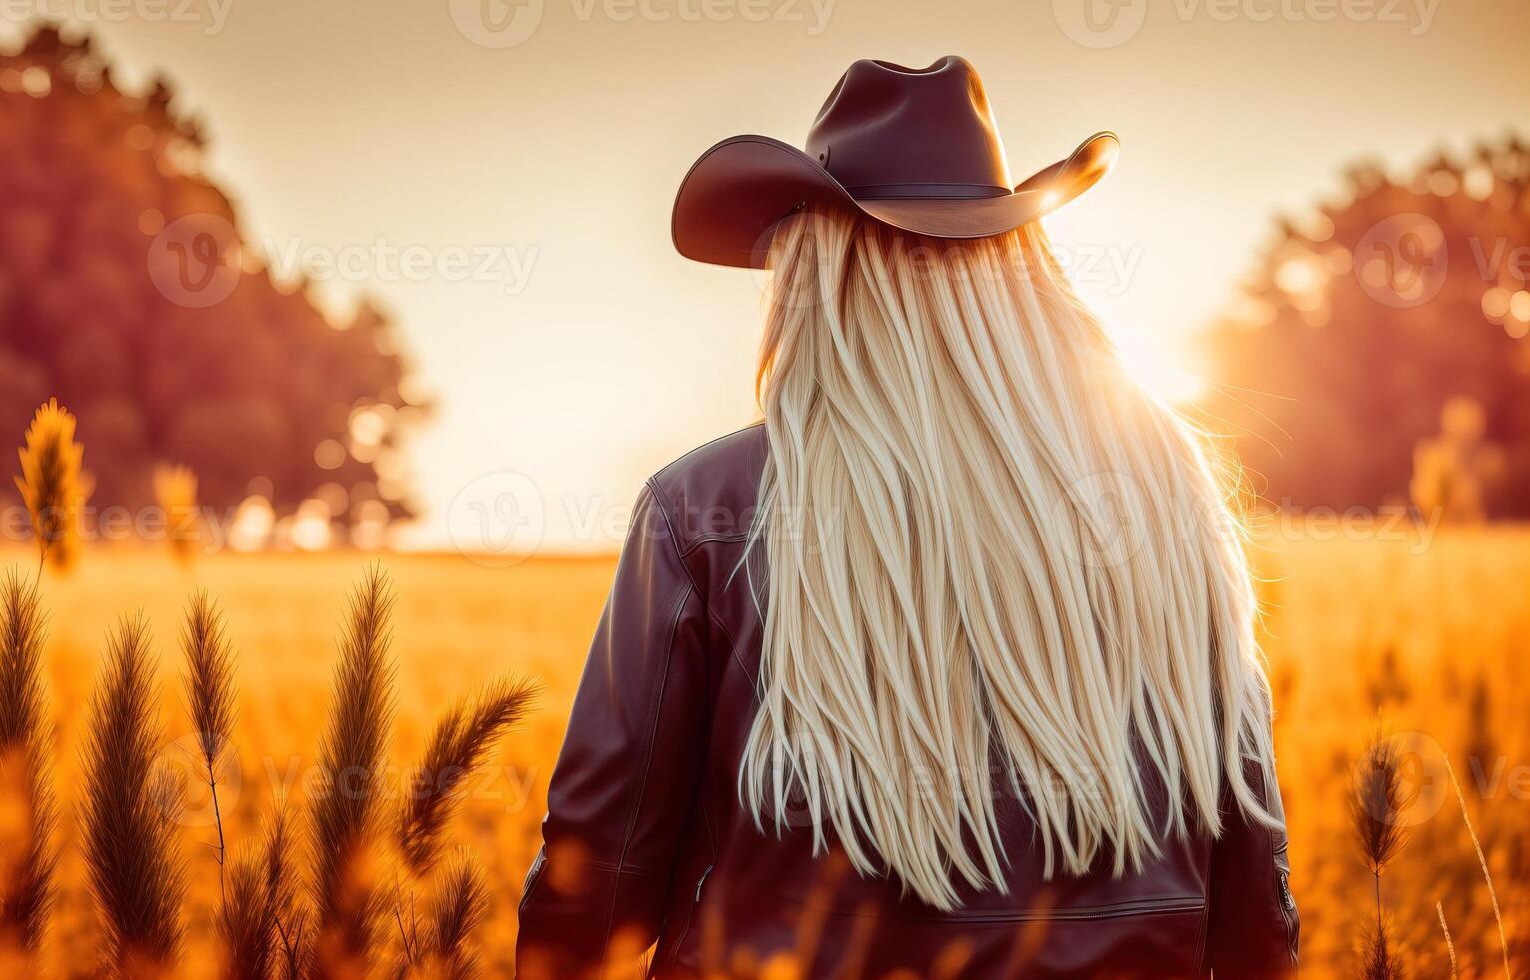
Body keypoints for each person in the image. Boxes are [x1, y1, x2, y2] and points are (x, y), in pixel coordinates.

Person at [515, 56, 1298, 979]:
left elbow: (597, 885)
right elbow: (1254, 908)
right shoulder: (1165, 495)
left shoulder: (706, 509)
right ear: (1017, 263)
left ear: (818, 270)